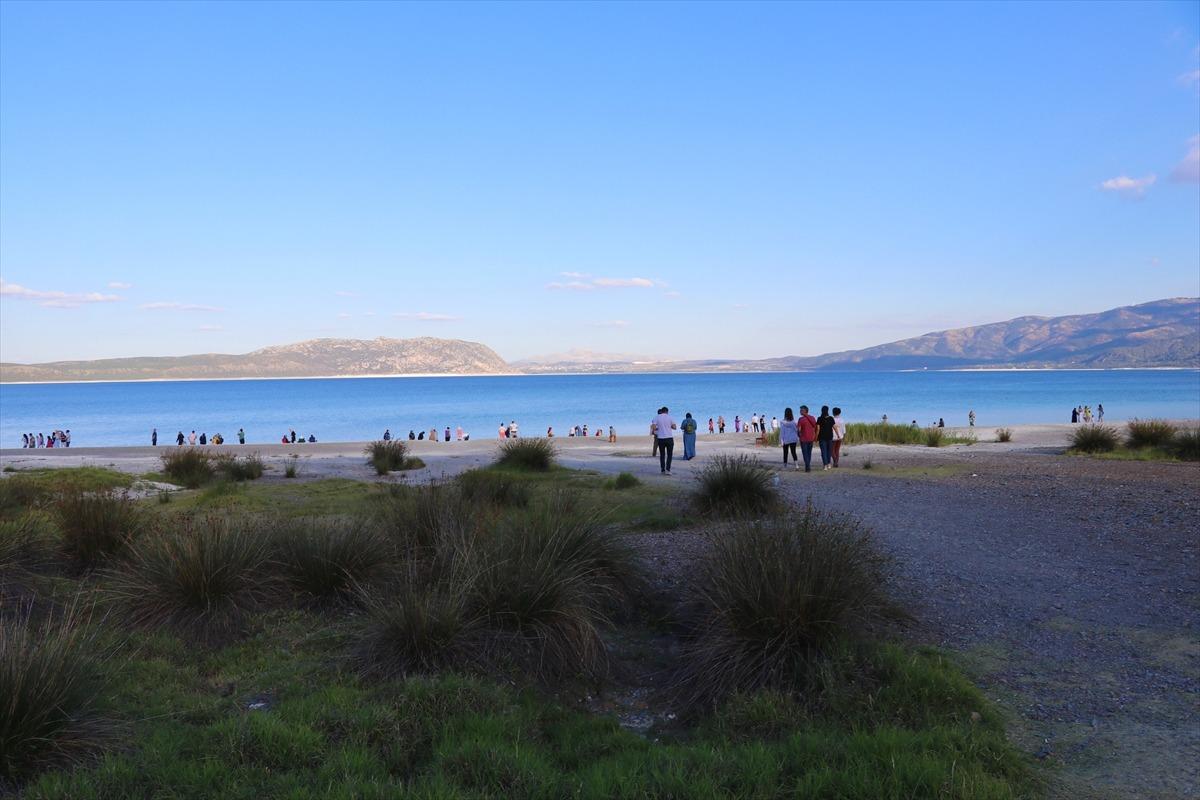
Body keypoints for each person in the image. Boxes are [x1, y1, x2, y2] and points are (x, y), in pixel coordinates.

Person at [655, 406, 677, 474]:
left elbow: (653, 427)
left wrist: (658, 428)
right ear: (667, 411)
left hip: (660, 439)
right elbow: (674, 427)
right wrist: (669, 426)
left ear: (661, 411)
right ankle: (668, 470)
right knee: (669, 455)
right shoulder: (670, 417)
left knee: (662, 455)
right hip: (669, 438)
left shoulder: (657, 417)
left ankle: (662, 470)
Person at [798, 405, 818, 472]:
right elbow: (815, 426)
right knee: (809, 453)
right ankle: (808, 465)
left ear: (804, 411)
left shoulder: (801, 419)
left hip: (804, 439)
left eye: (801, 410)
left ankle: (807, 466)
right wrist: (815, 435)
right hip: (810, 438)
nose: (800, 411)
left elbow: (798, 429)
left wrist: (799, 435)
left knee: (805, 453)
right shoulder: (812, 418)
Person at [816, 406, 835, 471]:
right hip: (830, 436)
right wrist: (838, 435)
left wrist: (816, 437)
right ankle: (829, 464)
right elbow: (834, 427)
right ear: (828, 411)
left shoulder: (819, 418)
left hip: (822, 437)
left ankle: (825, 465)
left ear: (821, 411)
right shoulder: (831, 418)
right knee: (829, 451)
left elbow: (818, 429)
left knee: (823, 451)